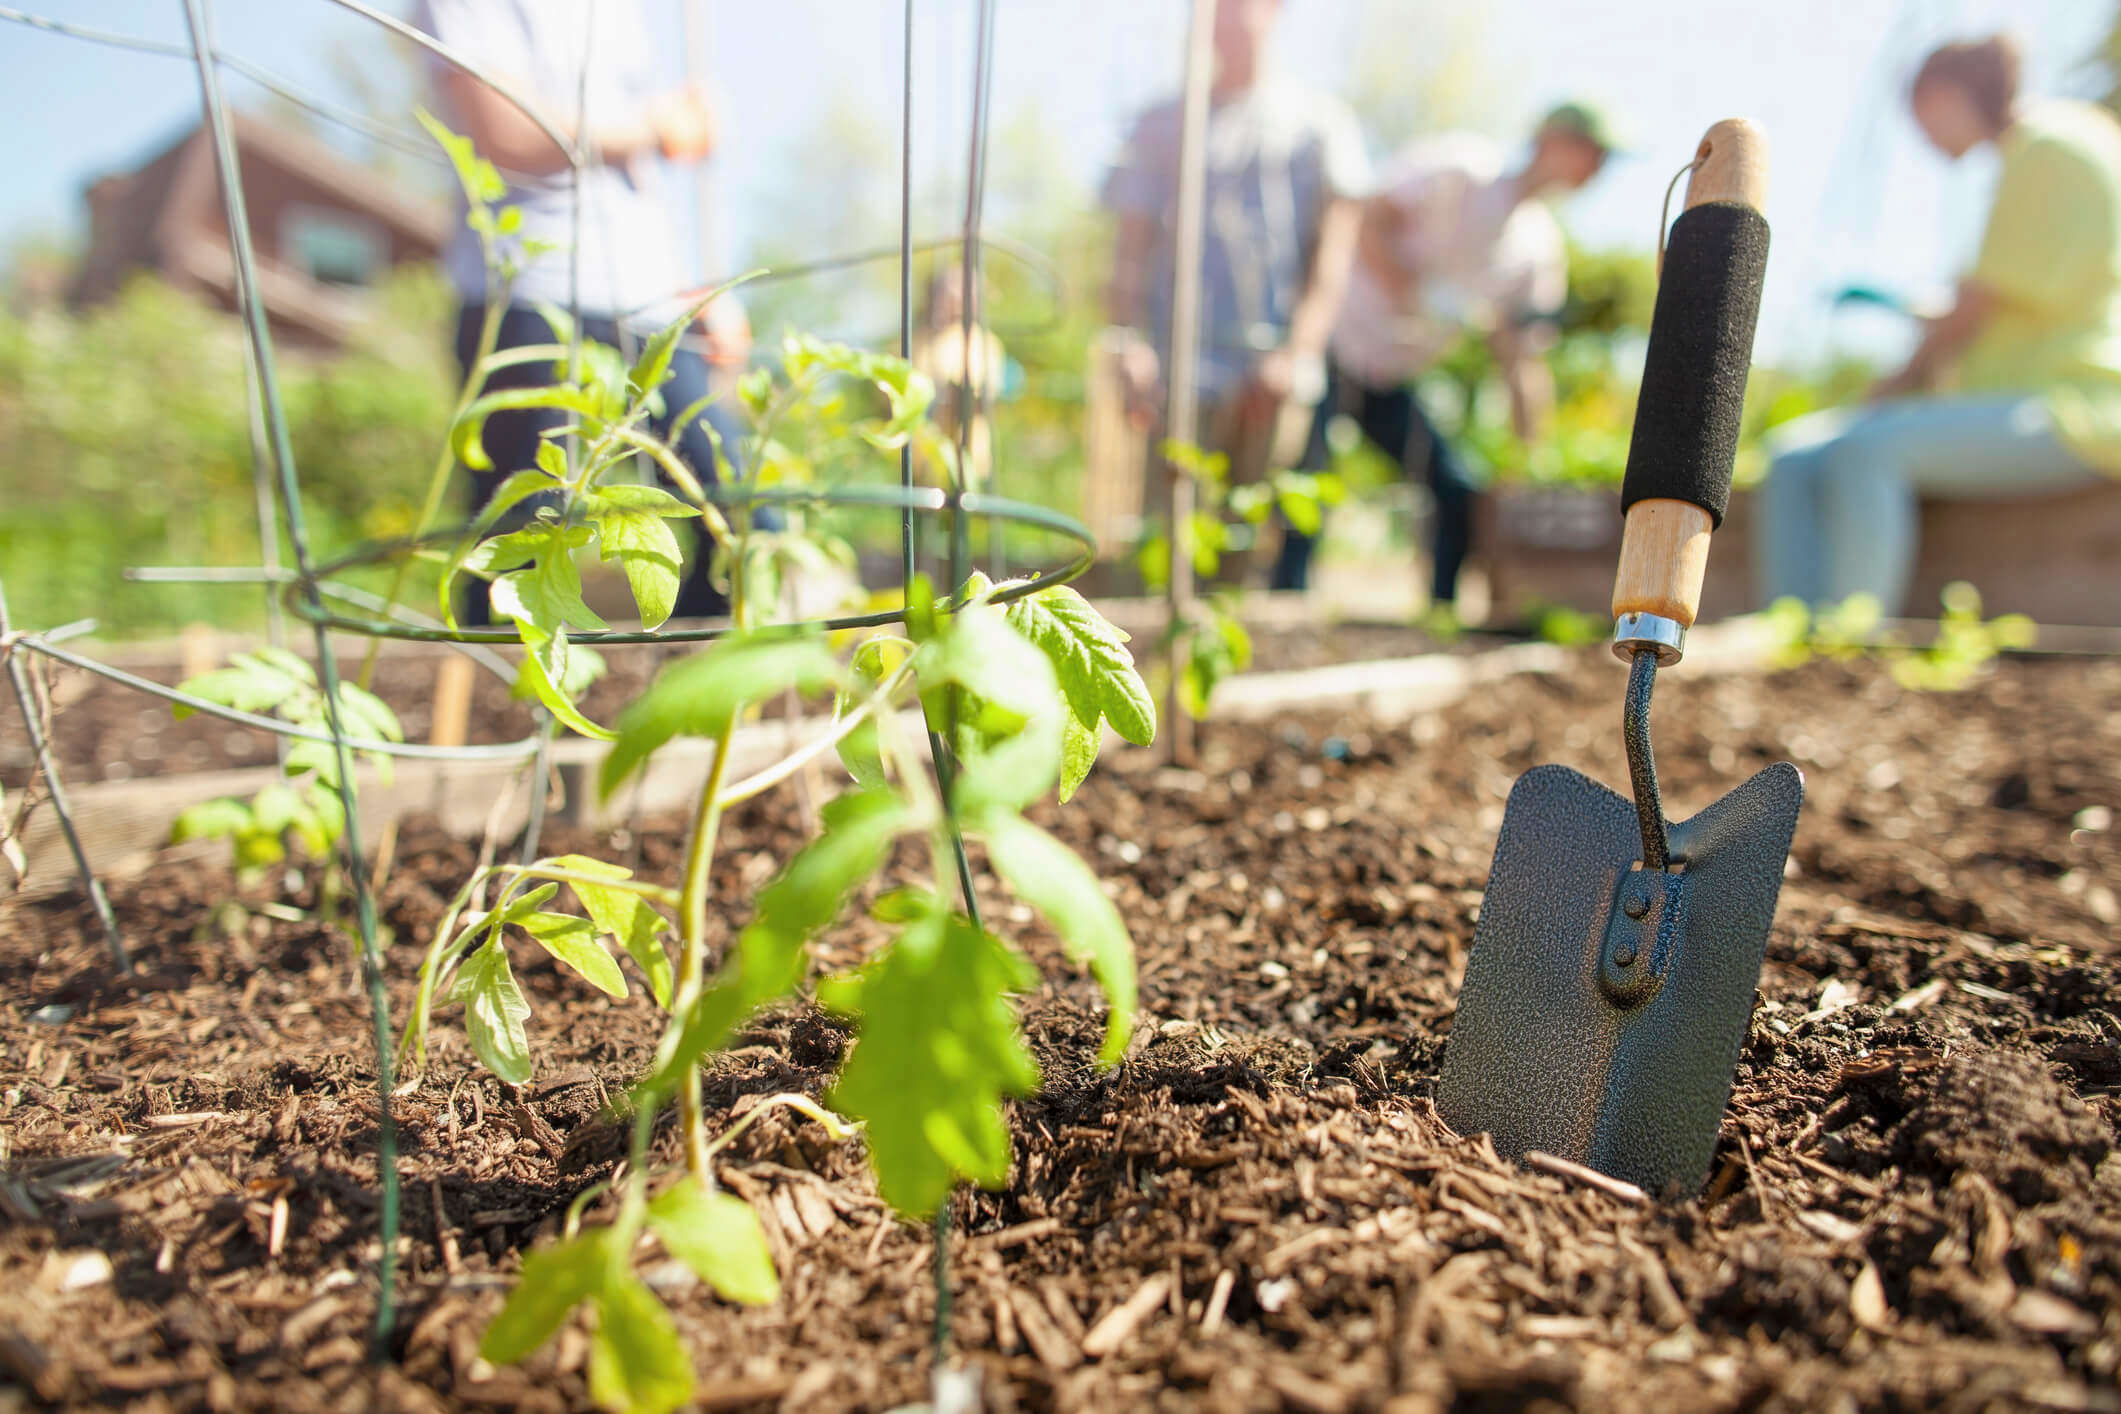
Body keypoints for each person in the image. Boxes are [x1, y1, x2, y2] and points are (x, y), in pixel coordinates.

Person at [1755, 35, 2121, 612]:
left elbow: (1977, 307)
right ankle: (1788, 628)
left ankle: (1846, 643)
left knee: (1865, 451)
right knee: (1794, 454)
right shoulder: (2052, 145)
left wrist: (1893, 386)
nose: (1923, 137)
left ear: (1944, 95)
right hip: (2027, 398)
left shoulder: (2049, 148)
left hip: (2075, 405)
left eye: (1921, 116)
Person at [415, 0, 749, 623]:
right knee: (521, 527)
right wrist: (657, 125)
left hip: (649, 296)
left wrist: (701, 292)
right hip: (525, 288)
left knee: (736, 507)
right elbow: (508, 133)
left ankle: (702, 690)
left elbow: (641, 192)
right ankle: (506, 702)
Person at [1274, 101, 1621, 611]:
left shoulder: (1538, 251)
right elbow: (1366, 221)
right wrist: (1416, 292)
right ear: (1552, 141)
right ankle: (1286, 603)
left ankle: (1439, 611)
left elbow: (1521, 358)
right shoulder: (1460, 170)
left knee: (1456, 487)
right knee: (1309, 478)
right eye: (1591, 152)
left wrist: (1533, 458)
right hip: (1338, 343)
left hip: (1392, 377)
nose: (1597, 169)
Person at [1101, 0, 1369, 568]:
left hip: (1267, 372)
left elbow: (1332, 257)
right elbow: (1130, 248)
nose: (1224, 19)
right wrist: (1128, 340)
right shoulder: (1161, 125)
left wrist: (1294, 353)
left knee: (1246, 544)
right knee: (1166, 542)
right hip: (1175, 373)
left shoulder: (1317, 124)